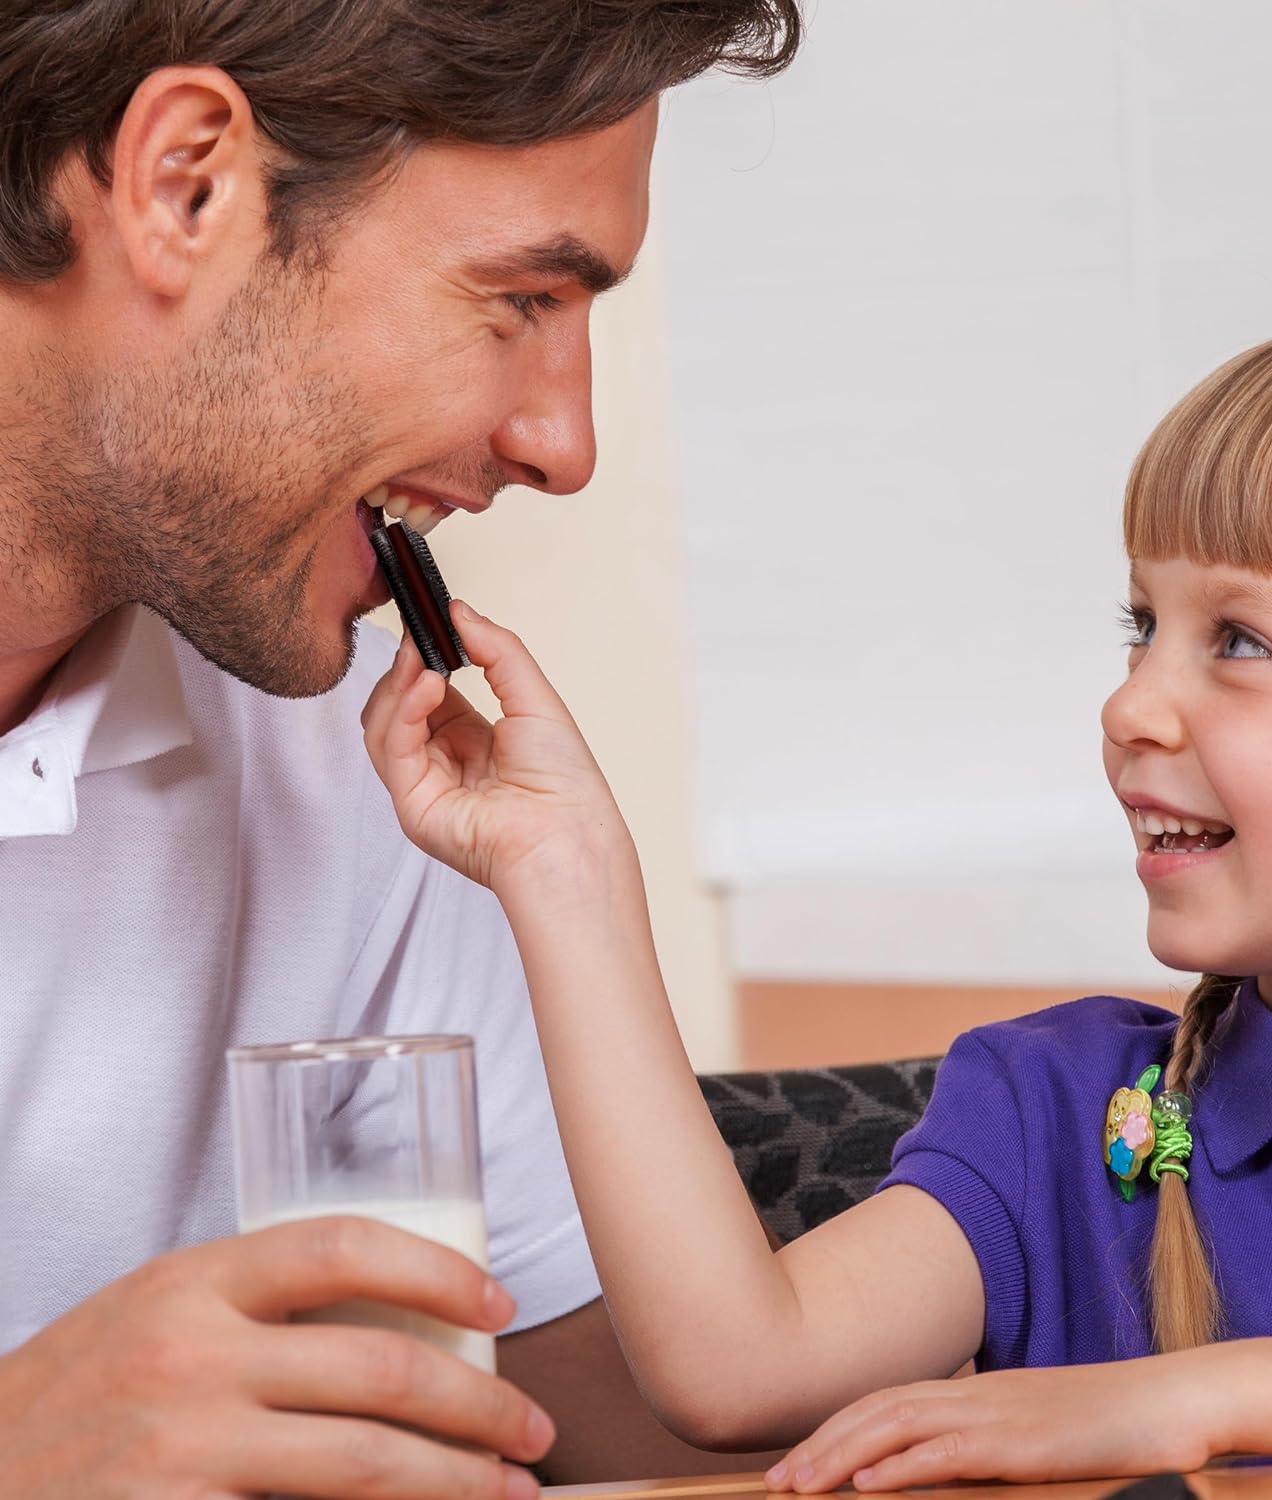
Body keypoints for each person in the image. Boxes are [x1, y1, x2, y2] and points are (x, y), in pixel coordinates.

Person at [364, 312, 1272, 1486]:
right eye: (1141, 627)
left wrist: (1191, 1399)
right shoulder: (1053, 1109)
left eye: (1243, 640)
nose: (1131, 706)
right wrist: (566, 870)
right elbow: (732, 1371)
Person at [0, 3, 800, 1496]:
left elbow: (626, 1427)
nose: (565, 445)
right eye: (519, 301)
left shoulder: (349, 761)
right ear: (187, 186)